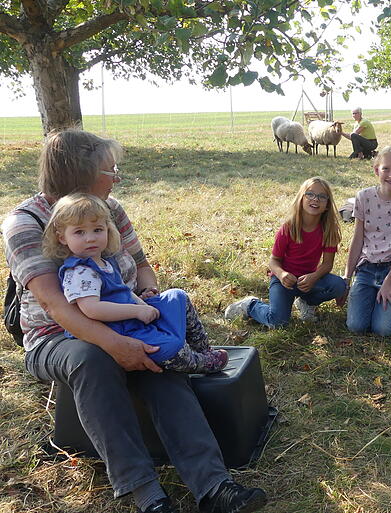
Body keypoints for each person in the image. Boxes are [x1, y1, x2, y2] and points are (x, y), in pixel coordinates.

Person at [1, 129, 266, 513]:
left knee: (160, 358)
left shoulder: (111, 211)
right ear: (81, 174)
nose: (117, 177)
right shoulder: (25, 222)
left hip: (126, 320)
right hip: (56, 338)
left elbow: (142, 267)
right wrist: (115, 344)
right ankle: (144, 492)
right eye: (110, 170)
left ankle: (212, 486)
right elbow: (56, 307)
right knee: (92, 360)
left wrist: (148, 299)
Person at [43, 193, 228, 373]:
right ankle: (200, 363)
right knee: (169, 348)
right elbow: (92, 309)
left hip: (132, 318)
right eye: (79, 232)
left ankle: (202, 348)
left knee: (176, 297)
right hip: (118, 330)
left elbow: (122, 290)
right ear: (62, 238)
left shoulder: (104, 262)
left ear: (108, 229)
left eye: (97, 230)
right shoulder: (80, 271)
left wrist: (142, 302)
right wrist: (137, 310)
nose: (90, 238)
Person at [224, 177, 346, 326]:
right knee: (278, 322)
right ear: (301, 198)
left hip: (308, 280)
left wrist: (313, 277)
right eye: (310, 194)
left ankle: (307, 303)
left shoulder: (328, 230)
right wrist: (282, 274)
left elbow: (327, 264)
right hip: (284, 281)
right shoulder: (289, 228)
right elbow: (274, 261)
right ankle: (250, 306)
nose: (316, 199)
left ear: (327, 204)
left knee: (338, 285)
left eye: (322, 196)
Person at [343, 146, 391, 336]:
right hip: (367, 267)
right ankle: (371, 297)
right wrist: (347, 277)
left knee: (383, 329)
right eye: (386, 168)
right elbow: (358, 239)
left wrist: (389, 281)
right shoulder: (364, 197)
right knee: (356, 326)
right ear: (376, 170)